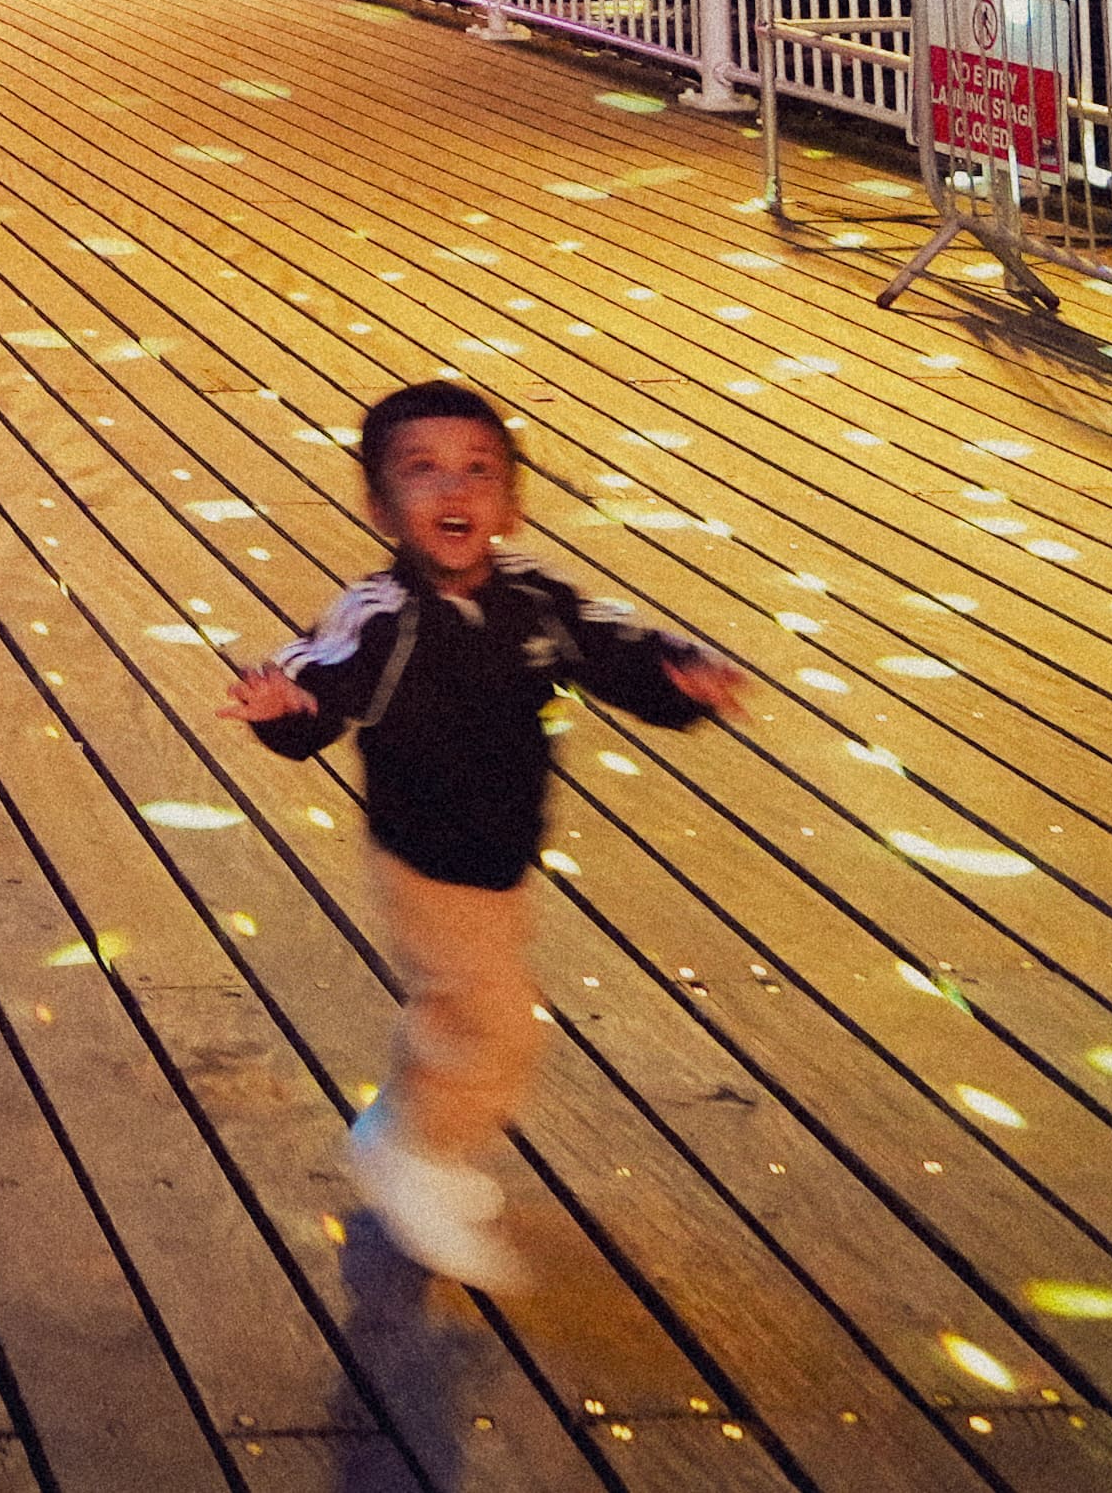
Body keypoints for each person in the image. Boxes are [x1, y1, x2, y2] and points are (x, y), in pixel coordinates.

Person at [217, 383, 744, 1288]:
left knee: (458, 1011)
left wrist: (676, 679)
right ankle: (414, 1157)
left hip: (501, 851)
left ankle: (402, 1131)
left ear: (509, 503)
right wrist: (285, 708)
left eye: (477, 471)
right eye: (420, 470)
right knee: (497, 1028)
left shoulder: (534, 600)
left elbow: (611, 648)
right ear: (380, 507)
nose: (452, 488)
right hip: (426, 856)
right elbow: (321, 677)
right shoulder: (380, 616)